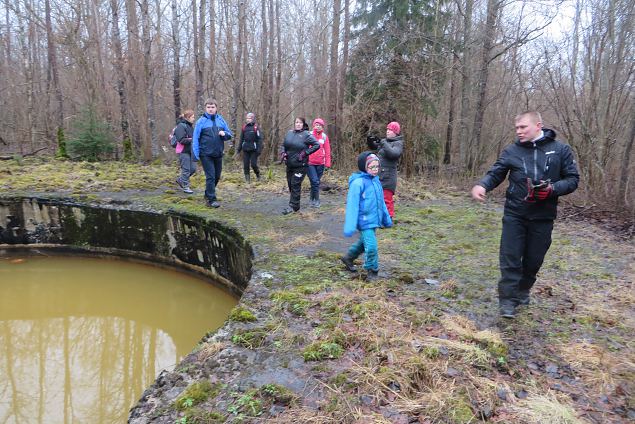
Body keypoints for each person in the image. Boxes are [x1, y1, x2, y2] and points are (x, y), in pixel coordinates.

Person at [470, 111, 580, 318]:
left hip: (543, 217)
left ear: (538, 126)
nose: (518, 131)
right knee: (510, 258)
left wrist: (552, 189)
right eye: (516, 128)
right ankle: (507, 301)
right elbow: (496, 172)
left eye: (523, 127)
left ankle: (523, 290)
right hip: (515, 214)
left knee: (533, 260)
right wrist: (482, 185)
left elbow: (573, 179)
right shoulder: (512, 151)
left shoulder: (560, 150)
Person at [341, 152, 393, 281]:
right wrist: (350, 226)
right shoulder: (358, 183)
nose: (376, 170)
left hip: (374, 220)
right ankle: (372, 270)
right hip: (364, 221)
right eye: (372, 167)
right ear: (364, 167)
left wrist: (386, 219)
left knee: (364, 243)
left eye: (377, 167)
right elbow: (352, 206)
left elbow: (382, 203)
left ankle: (348, 257)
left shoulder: (376, 182)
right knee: (371, 246)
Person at [192, 98, 233, 208]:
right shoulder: (201, 121)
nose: (210, 109)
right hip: (205, 154)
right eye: (208, 107)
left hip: (218, 153)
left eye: (212, 107)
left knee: (217, 176)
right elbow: (195, 138)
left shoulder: (221, 120)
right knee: (210, 176)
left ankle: (207, 193)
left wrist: (224, 133)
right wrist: (195, 154)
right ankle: (211, 200)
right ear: (205, 108)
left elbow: (230, 135)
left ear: (216, 108)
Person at [280, 117, 319, 215]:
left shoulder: (306, 135)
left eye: (300, 123)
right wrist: (283, 153)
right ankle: (294, 204)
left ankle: (293, 207)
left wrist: (305, 153)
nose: (298, 124)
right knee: (290, 184)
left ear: (303, 124)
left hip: (301, 165)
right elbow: (283, 145)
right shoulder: (289, 133)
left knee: (295, 184)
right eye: (296, 122)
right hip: (289, 164)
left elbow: (316, 145)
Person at [370, 121, 404, 219]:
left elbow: (393, 154)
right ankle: (379, 218)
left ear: (396, 132)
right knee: (377, 198)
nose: (388, 132)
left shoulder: (398, 143)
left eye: (390, 130)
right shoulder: (386, 142)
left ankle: (388, 219)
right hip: (380, 175)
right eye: (387, 129)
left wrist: (383, 142)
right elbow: (376, 149)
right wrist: (371, 142)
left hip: (389, 177)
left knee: (387, 199)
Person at [307, 117, 331, 207]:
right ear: (314, 126)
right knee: (315, 181)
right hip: (310, 163)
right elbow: (304, 147)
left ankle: (311, 199)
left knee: (315, 182)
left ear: (322, 127)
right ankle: (317, 200)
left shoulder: (324, 137)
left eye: (320, 125)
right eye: (316, 125)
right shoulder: (309, 135)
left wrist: (328, 163)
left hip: (321, 163)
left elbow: (327, 150)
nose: (318, 127)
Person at [174, 109, 196, 194]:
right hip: (183, 151)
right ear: (187, 117)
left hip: (191, 151)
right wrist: (192, 140)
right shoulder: (181, 126)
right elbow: (181, 139)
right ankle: (185, 187)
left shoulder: (190, 126)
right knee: (186, 170)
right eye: (192, 117)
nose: (194, 119)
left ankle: (181, 180)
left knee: (193, 169)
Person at [237, 112, 262, 183]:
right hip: (245, 149)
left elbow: (260, 139)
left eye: (249, 118)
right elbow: (241, 139)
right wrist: (239, 149)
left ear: (253, 119)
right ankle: (247, 179)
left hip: (254, 150)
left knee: (253, 164)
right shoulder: (244, 127)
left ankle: (258, 174)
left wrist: (259, 149)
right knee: (246, 164)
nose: (248, 119)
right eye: (247, 118)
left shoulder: (256, 127)